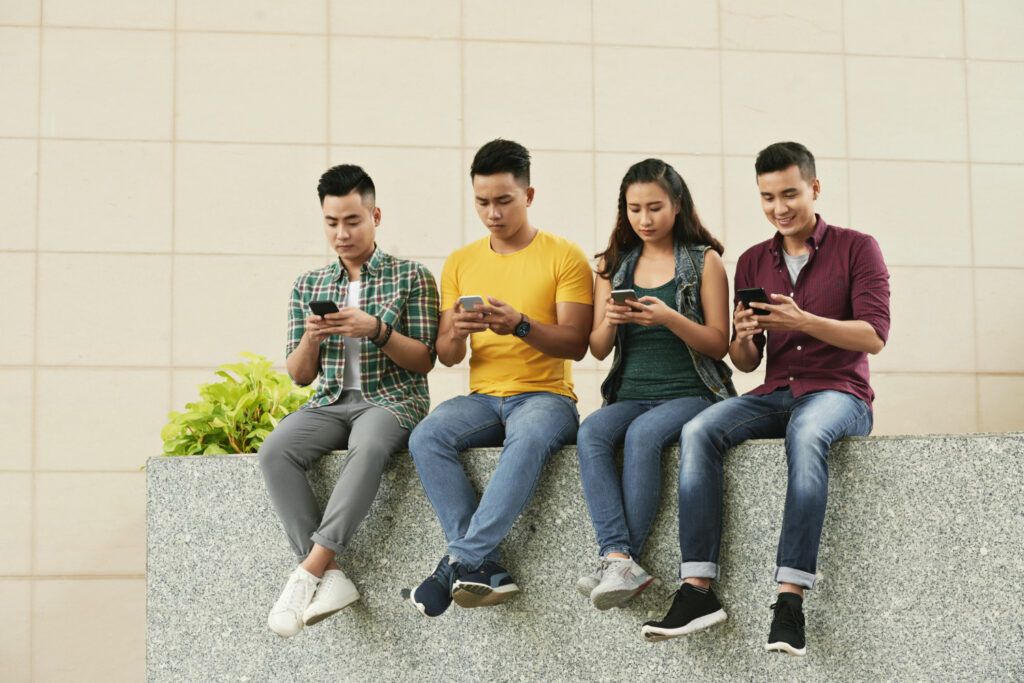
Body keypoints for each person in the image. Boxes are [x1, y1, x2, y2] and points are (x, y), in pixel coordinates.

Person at [641, 142, 890, 656]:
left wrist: (804, 321)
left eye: (790, 194)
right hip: (776, 390)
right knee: (699, 430)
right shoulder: (754, 260)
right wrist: (746, 335)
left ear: (814, 189)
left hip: (839, 392)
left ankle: (790, 599)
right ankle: (697, 590)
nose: (780, 207)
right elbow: (745, 362)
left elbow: (873, 336)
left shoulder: (857, 248)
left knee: (806, 434)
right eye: (768, 197)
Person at [407, 138, 593, 618]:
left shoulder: (565, 256)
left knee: (528, 437)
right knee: (427, 435)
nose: (492, 212)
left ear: (528, 196)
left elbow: (577, 342)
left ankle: (458, 562)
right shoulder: (461, 262)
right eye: (482, 202)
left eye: (503, 201)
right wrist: (456, 331)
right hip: (482, 398)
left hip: (546, 397)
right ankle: (481, 564)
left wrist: (520, 325)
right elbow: (447, 356)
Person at [257, 164, 439, 638]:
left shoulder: (412, 278)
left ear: (375, 215)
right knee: (276, 450)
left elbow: (424, 360)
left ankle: (308, 572)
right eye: (331, 222)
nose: (341, 233)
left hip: (392, 398)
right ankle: (330, 575)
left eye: (352, 221)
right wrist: (313, 339)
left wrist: (375, 330)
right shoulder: (308, 286)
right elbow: (299, 376)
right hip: (330, 400)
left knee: (371, 445)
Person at [576, 159, 736, 611]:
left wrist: (668, 317)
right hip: (630, 393)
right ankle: (617, 556)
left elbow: (718, 345)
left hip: (692, 392)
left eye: (655, 208)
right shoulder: (612, 265)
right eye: (634, 209)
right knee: (592, 431)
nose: (644, 220)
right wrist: (609, 317)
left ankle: (620, 560)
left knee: (644, 436)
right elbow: (598, 349)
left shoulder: (704, 262)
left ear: (677, 205)